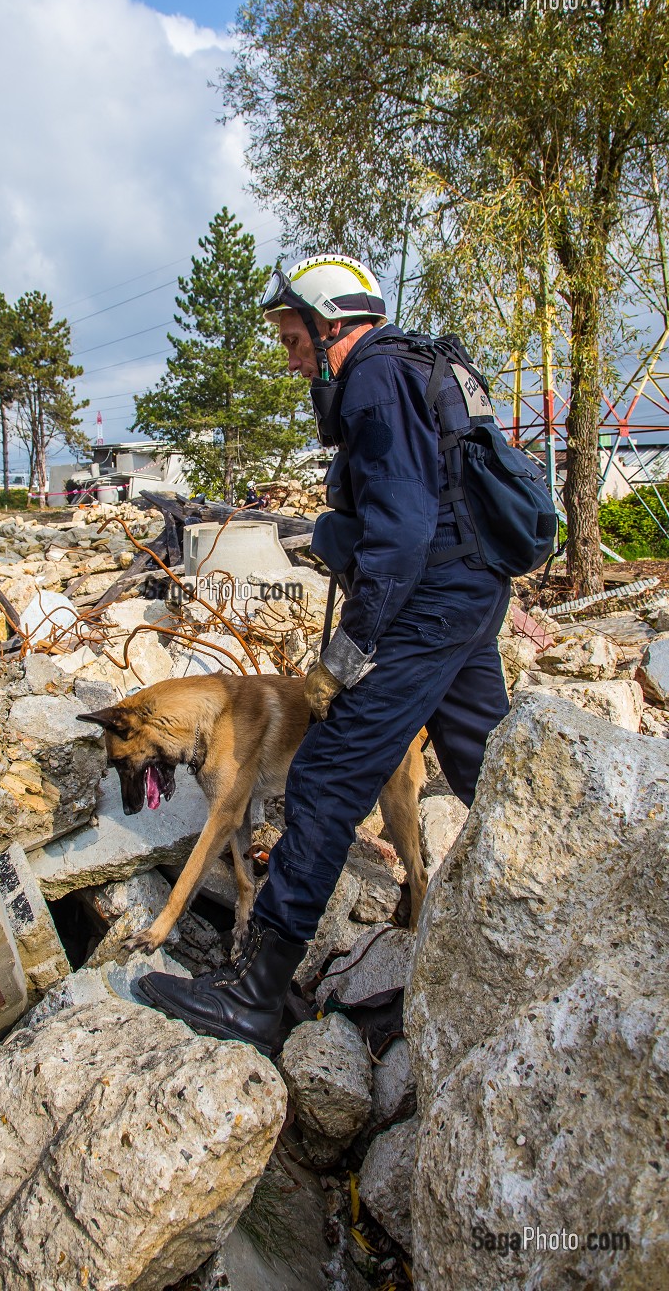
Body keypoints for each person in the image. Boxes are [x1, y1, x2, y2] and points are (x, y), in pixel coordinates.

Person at [138, 254, 512, 1053]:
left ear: (330, 324)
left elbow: (403, 533)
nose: (290, 357)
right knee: (487, 767)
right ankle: (537, 931)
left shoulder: (374, 376)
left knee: (325, 772)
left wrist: (341, 659)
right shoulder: (421, 366)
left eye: (293, 339)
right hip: (473, 590)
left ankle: (254, 993)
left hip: (427, 602)